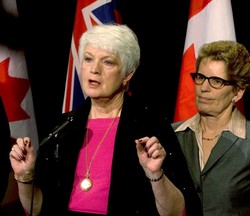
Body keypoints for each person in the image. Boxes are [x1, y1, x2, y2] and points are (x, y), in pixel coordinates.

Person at [9, 23, 202, 216]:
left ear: (128, 74)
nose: (94, 69)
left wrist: (155, 175)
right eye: (88, 59)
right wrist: (24, 177)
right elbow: (37, 210)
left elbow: (177, 212)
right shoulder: (63, 127)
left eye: (107, 62)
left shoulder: (149, 127)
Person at [172, 40, 250, 216]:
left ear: (237, 92)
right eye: (200, 77)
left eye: (216, 81)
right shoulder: (173, 135)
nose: (203, 88)